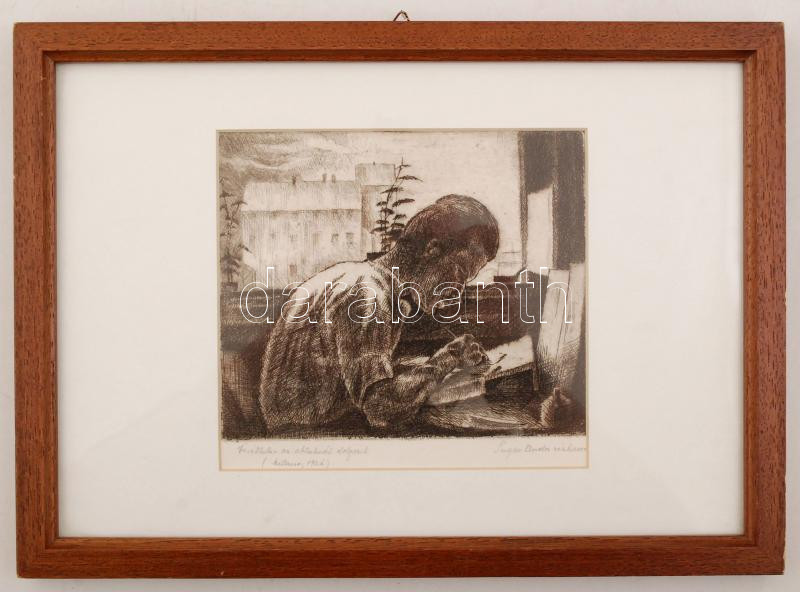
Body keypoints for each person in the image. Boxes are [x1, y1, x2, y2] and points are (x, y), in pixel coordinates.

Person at [258, 194, 500, 433]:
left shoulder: (354, 277)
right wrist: (449, 357)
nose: (457, 291)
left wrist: (427, 367)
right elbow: (381, 408)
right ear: (432, 250)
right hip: (317, 436)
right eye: (460, 273)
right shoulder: (370, 296)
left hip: (299, 431)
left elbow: (348, 374)